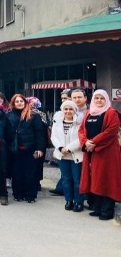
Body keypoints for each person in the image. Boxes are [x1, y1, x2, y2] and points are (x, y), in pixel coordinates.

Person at [78, 89, 121, 220]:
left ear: (106, 100)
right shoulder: (88, 113)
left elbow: (111, 131)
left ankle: (107, 211)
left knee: (107, 179)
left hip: (107, 153)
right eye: (96, 98)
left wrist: (94, 143)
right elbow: (81, 131)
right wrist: (85, 143)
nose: (99, 101)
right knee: (95, 179)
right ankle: (97, 208)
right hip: (91, 152)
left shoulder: (111, 113)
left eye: (102, 98)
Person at [6, 94, 46, 203]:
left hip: (30, 149)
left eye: (21, 101)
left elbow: (40, 133)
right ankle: (18, 194)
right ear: (13, 103)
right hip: (15, 150)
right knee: (16, 173)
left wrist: (40, 148)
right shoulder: (8, 116)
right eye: (17, 101)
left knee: (30, 173)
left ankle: (30, 195)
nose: (19, 103)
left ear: (25, 102)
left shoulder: (33, 115)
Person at [50, 100, 84, 212]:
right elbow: (54, 136)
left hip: (76, 154)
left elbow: (81, 138)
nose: (68, 111)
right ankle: (68, 200)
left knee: (77, 180)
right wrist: (60, 148)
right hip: (62, 155)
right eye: (66, 109)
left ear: (74, 110)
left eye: (70, 109)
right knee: (66, 179)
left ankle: (78, 202)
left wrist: (69, 148)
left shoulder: (80, 123)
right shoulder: (57, 121)